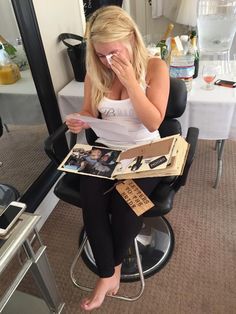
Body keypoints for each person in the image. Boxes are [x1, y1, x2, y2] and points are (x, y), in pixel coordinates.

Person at [66, 5, 169, 311]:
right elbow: (88, 110)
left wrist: (130, 82)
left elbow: (153, 122)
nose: (107, 60)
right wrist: (80, 120)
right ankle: (108, 272)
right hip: (106, 150)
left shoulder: (154, 68)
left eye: (114, 52)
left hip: (145, 151)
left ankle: (110, 270)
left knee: (124, 208)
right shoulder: (95, 72)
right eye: (100, 54)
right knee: (93, 205)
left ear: (132, 40)